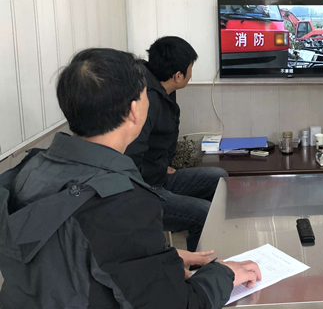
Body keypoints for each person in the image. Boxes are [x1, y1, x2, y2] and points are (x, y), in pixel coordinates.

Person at [0, 48, 260, 308]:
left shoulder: (25, 170)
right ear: (134, 110)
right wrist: (224, 273)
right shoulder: (122, 202)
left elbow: (69, 258)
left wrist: (158, 258)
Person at [125, 36, 228, 252]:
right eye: (190, 68)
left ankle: (216, 246)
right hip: (143, 191)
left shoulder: (164, 90)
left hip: (159, 175)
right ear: (178, 75)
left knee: (220, 178)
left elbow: (160, 141)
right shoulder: (147, 99)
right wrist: (151, 176)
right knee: (203, 213)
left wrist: (163, 164)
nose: (191, 74)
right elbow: (129, 158)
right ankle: (199, 267)